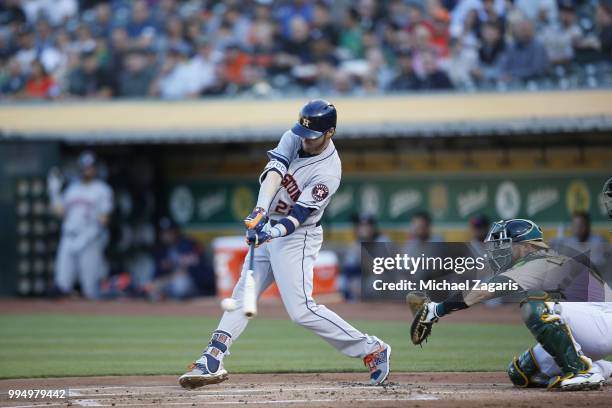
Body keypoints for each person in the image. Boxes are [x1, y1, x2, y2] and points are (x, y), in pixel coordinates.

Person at [178, 100, 391, 389]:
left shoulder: (328, 171)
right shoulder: (295, 135)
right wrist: (259, 212)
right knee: (243, 294)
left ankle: (372, 349)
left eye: (312, 136)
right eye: (302, 132)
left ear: (330, 133)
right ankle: (212, 358)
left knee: (301, 310)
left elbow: (299, 216)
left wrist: (271, 233)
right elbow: (274, 172)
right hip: (271, 224)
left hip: (297, 237)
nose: (304, 139)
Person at [410, 218, 612, 391]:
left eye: (505, 244)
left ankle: (581, 372)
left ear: (526, 245)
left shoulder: (539, 260)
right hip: (587, 327)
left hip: (603, 321)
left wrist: (436, 310)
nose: (499, 250)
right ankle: (604, 369)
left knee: (534, 305)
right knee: (522, 372)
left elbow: (482, 292)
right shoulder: (540, 259)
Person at [48, 151, 113, 299]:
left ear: (95, 169)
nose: (87, 170)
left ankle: (94, 319)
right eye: (84, 167)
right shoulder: (72, 189)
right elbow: (60, 213)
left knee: (90, 287)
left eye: (90, 167)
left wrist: (93, 220)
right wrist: (54, 193)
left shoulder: (102, 189)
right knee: (61, 284)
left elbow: (104, 219)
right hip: (69, 237)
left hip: (89, 238)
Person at [145, 217, 215, 301]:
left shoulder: (189, 244)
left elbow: (198, 265)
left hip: (192, 282)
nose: (167, 235)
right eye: (164, 232)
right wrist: (154, 283)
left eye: (170, 232)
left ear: (176, 232)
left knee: (180, 283)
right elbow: (157, 272)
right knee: (152, 288)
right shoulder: (160, 250)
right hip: (168, 282)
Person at [341, 213, 390, 301]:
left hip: (384, 279)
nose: (361, 229)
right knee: (342, 282)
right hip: (363, 278)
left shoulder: (383, 241)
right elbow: (348, 269)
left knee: (374, 283)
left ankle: (380, 309)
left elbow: (380, 270)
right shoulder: (356, 243)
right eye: (359, 226)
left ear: (373, 227)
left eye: (365, 226)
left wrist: (363, 254)